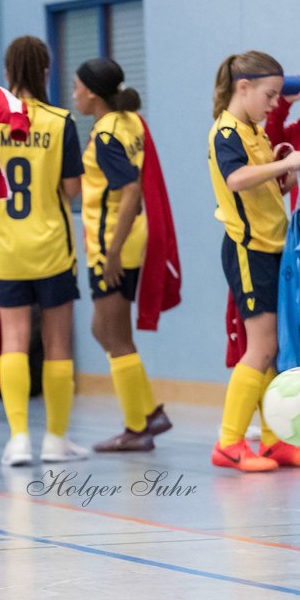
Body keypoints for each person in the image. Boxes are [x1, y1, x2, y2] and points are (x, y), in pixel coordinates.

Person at [208, 50, 300, 472]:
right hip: (247, 249)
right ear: (243, 88)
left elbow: (264, 185)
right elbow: (236, 179)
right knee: (260, 348)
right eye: (270, 96)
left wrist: (290, 174)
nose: (276, 104)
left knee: (277, 349)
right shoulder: (226, 133)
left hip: (273, 246)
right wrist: (285, 161)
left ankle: (276, 440)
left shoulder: (253, 129)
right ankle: (229, 441)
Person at [0, 37, 88, 466]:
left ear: (9, 71)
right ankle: (55, 439)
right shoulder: (59, 120)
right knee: (57, 342)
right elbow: (71, 191)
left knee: (12, 341)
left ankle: (17, 439)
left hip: (6, 247)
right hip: (51, 247)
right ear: (46, 70)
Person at [71, 58, 171, 451]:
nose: (75, 94)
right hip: (128, 238)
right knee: (103, 330)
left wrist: (111, 252)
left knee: (116, 335)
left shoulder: (108, 133)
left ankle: (137, 428)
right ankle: (148, 412)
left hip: (113, 243)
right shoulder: (128, 121)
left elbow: (131, 191)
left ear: (93, 92)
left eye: (78, 87)